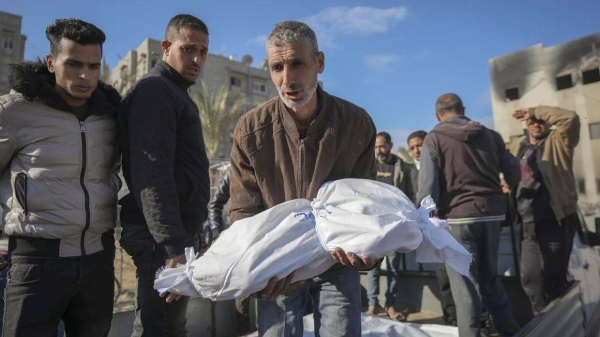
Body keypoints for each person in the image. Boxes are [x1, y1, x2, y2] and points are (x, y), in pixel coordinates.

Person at [229, 20, 379, 337]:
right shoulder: (250, 129)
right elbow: (244, 208)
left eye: (297, 63)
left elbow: (368, 202)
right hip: (279, 265)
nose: (288, 79)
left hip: (337, 262)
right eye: (277, 67)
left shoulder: (356, 124)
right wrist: (255, 265)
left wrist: (366, 252)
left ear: (319, 63)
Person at [0, 18, 121, 336]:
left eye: (94, 66)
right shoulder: (14, 112)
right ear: (52, 63)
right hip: (37, 263)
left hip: (98, 259)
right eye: (74, 64)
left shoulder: (111, 115)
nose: (85, 75)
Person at [118, 14, 211, 337]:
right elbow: (152, 174)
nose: (197, 59)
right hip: (161, 240)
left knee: (168, 327)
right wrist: (172, 246)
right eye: (188, 49)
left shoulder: (174, 92)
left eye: (203, 51)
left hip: (173, 236)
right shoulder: (156, 91)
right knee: (159, 329)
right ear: (166, 47)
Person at [417, 93, 521, 337]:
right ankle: (511, 330)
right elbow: (514, 171)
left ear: (437, 115)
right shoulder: (490, 135)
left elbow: (427, 188)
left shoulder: (434, 138)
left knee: (464, 286)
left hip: (457, 219)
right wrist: (506, 188)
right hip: (492, 215)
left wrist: (422, 219)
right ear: (462, 108)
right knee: (490, 279)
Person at [508, 106, 580, 315]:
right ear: (526, 125)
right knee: (529, 277)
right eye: (532, 122)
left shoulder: (560, 141)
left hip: (554, 219)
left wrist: (534, 111)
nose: (536, 124)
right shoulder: (516, 146)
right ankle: (540, 317)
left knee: (553, 277)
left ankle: (562, 320)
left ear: (548, 122)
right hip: (527, 221)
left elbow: (571, 117)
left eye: (540, 120)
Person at [365, 131, 413, 321]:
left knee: (394, 268)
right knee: (372, 267)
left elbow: (409, 194)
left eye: (382, 146)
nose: (379, 150)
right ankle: (372, 305)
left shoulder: (402, 166)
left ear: (390, 145)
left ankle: (391, 305)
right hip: (374, 225)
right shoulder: (369, 165)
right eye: (376, 147)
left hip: (394, 225)